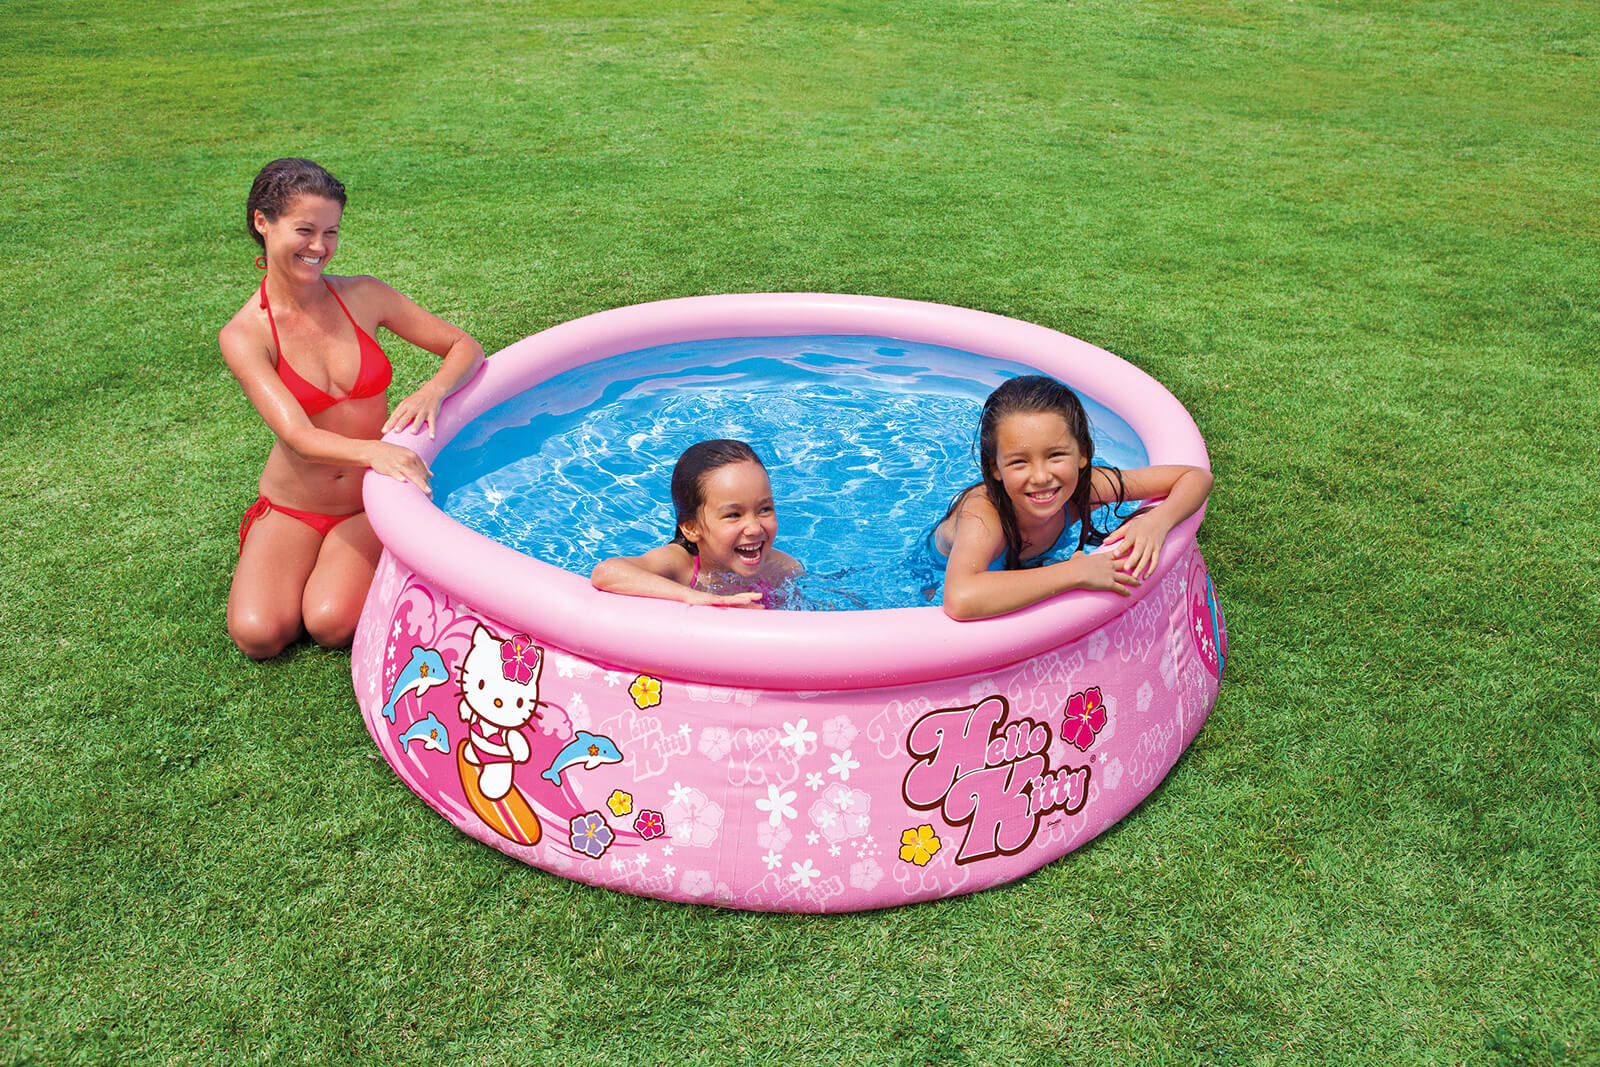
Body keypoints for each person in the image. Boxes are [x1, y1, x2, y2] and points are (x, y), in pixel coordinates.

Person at [222, 158, 484, 659]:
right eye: (304, 230)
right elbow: (298, 436)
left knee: (331, 623)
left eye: (331, 232)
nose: (319, 247)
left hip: (370, 498)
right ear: (262, 222)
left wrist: (431, 391)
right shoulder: (245, 334)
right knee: (258, 635)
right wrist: (375, 452)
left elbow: (463, 346)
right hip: (293, 502)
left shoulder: (363, 295)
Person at [934, 375, 1213, 621]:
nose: (1041, 476)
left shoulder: (1085, 488)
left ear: (1082, 454)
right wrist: (1074, 573)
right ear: (995, 468)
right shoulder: (983, 515)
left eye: (1055, 455)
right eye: (1019, 462)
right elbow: (960, 598)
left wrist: (1157, 522)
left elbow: (1196, 477)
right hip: (934, 570)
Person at [591, 439, 803, 608]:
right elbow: (606, 572)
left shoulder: (782, 569)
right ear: (692, 528)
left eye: (764, 509)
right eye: (733, 515)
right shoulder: (681, 566)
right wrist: (692, 597)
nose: (755, 528)